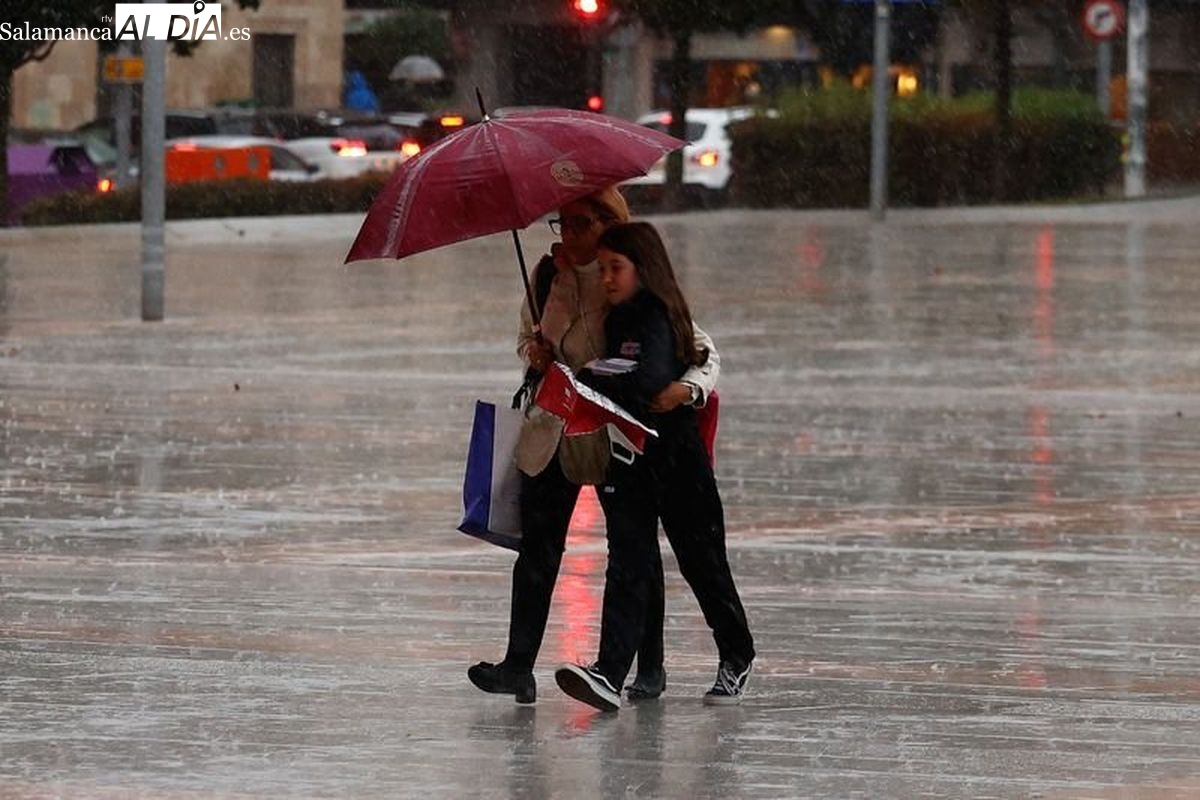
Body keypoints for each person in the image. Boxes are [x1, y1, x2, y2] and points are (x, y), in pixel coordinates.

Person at [468, 187, 721, 704]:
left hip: (613, 433)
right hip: (553, 426)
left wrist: (688, 389)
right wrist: (533, 353)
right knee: (538, 548)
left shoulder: (632, 280)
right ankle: (518, 665)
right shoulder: (545, 277)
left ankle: (648, 665)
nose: (570, 234)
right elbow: (524, 336)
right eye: (563, 223)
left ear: (610, 222)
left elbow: (699, 348)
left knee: (634, 550)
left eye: (581, 222)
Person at [554, 221, 755, 712]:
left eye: (615, 268)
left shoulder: (661, 313)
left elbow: (651, 379)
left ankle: (737, 653)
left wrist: (598, 381)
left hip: (677, 460)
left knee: (702, 562)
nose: (606, 278)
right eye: (601, 268)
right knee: (628, 563)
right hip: (629, 458)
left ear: (643, 269)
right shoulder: (616, 318)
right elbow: (621, 376)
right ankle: (609, 671)